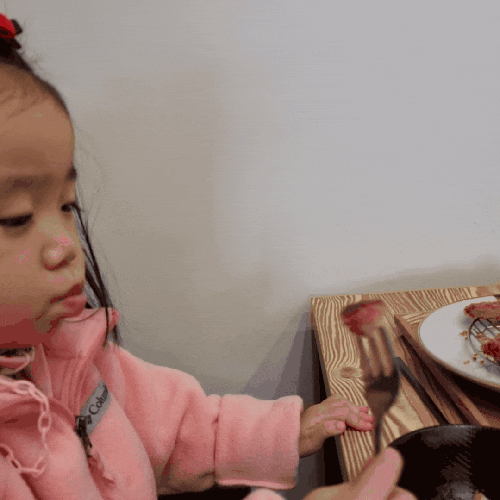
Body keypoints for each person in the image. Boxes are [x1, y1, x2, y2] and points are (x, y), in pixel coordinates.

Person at [0, 13, 415, 500]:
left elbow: (171, 426)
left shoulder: (61, 348)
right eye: (16, 218)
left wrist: (278, 433)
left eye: (67, 206)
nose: (66, 244)